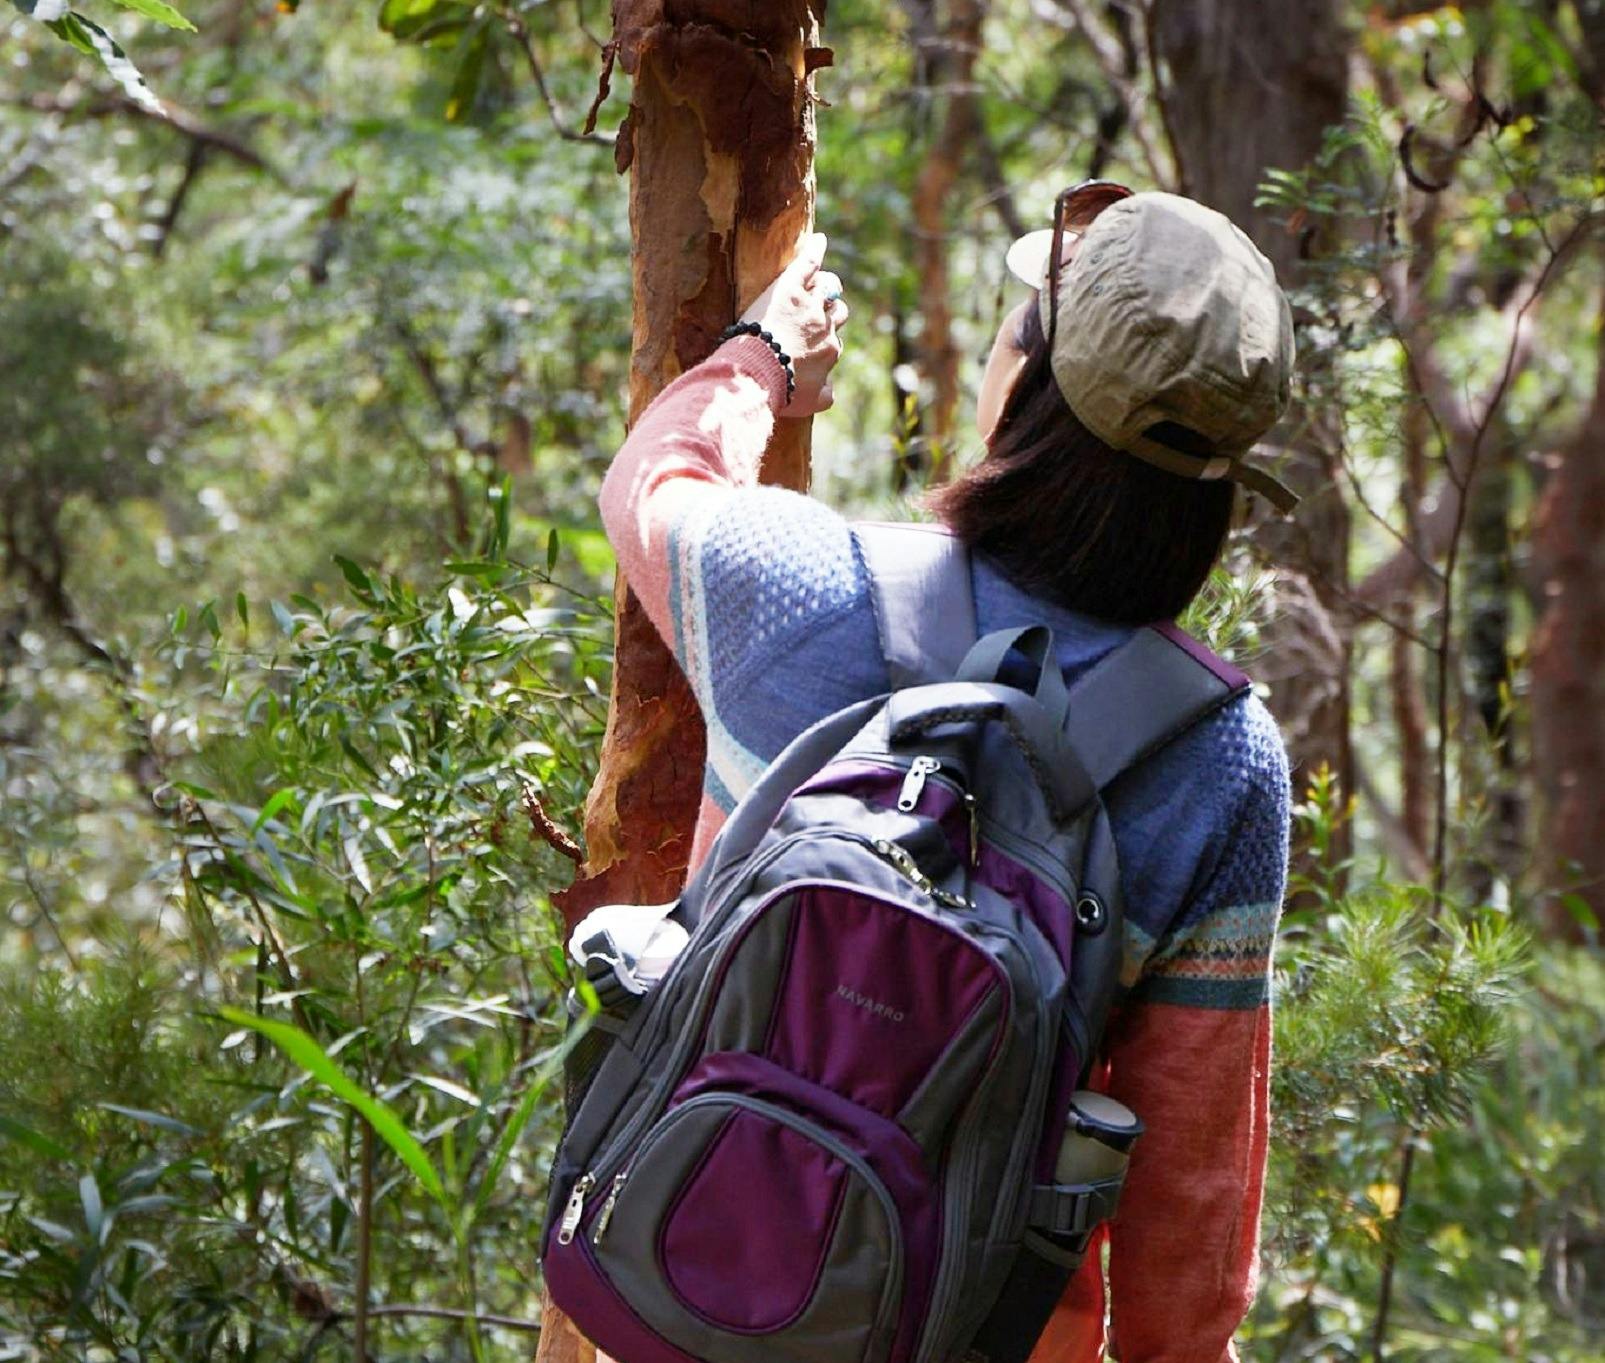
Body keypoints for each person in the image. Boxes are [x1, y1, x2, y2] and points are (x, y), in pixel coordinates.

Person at [595, 183, 1294, 1363]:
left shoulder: (793, 582)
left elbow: (650, 482)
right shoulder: (1221, 762)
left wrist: (762, 357)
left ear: (1023, 387)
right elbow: (1188, 1214)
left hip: (692, 1288)